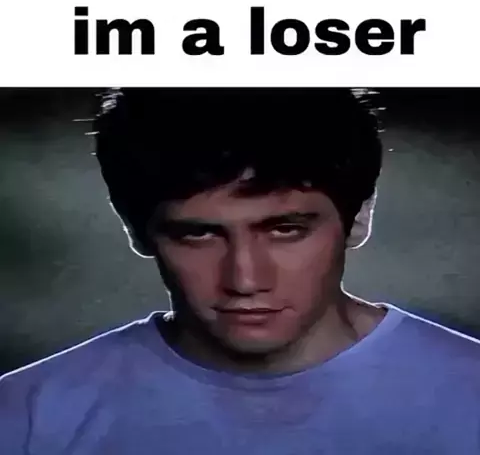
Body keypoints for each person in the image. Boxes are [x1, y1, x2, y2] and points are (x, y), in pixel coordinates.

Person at [1, 88, 479, 454]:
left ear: (359, 218)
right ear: (135, 229)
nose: (245, 281)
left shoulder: (468, 394)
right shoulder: (27, 413)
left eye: (286, 230)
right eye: (198, 235)